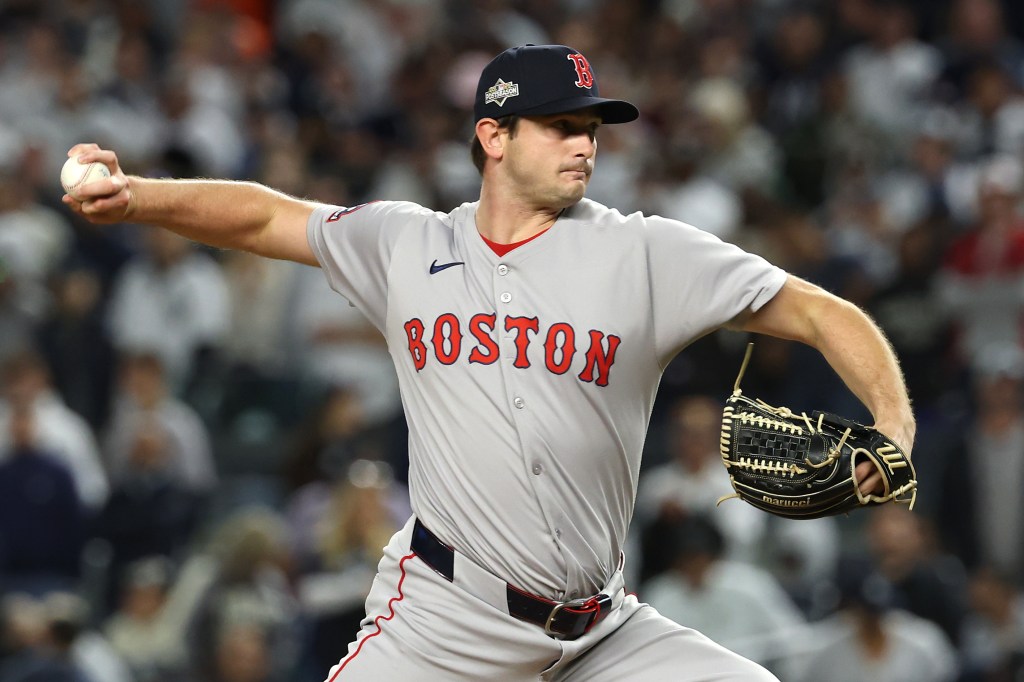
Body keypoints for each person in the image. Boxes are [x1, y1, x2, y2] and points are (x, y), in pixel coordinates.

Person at [63, 44, 916, 682]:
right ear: (493, 136)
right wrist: (137, 197)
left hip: (599, 634)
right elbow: (264, 217)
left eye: (591, 129)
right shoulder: (407, 244)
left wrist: (894, 423)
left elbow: (821, 312)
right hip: (444, 621)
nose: (585, 146)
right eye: (561, 127)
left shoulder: (647, 253)